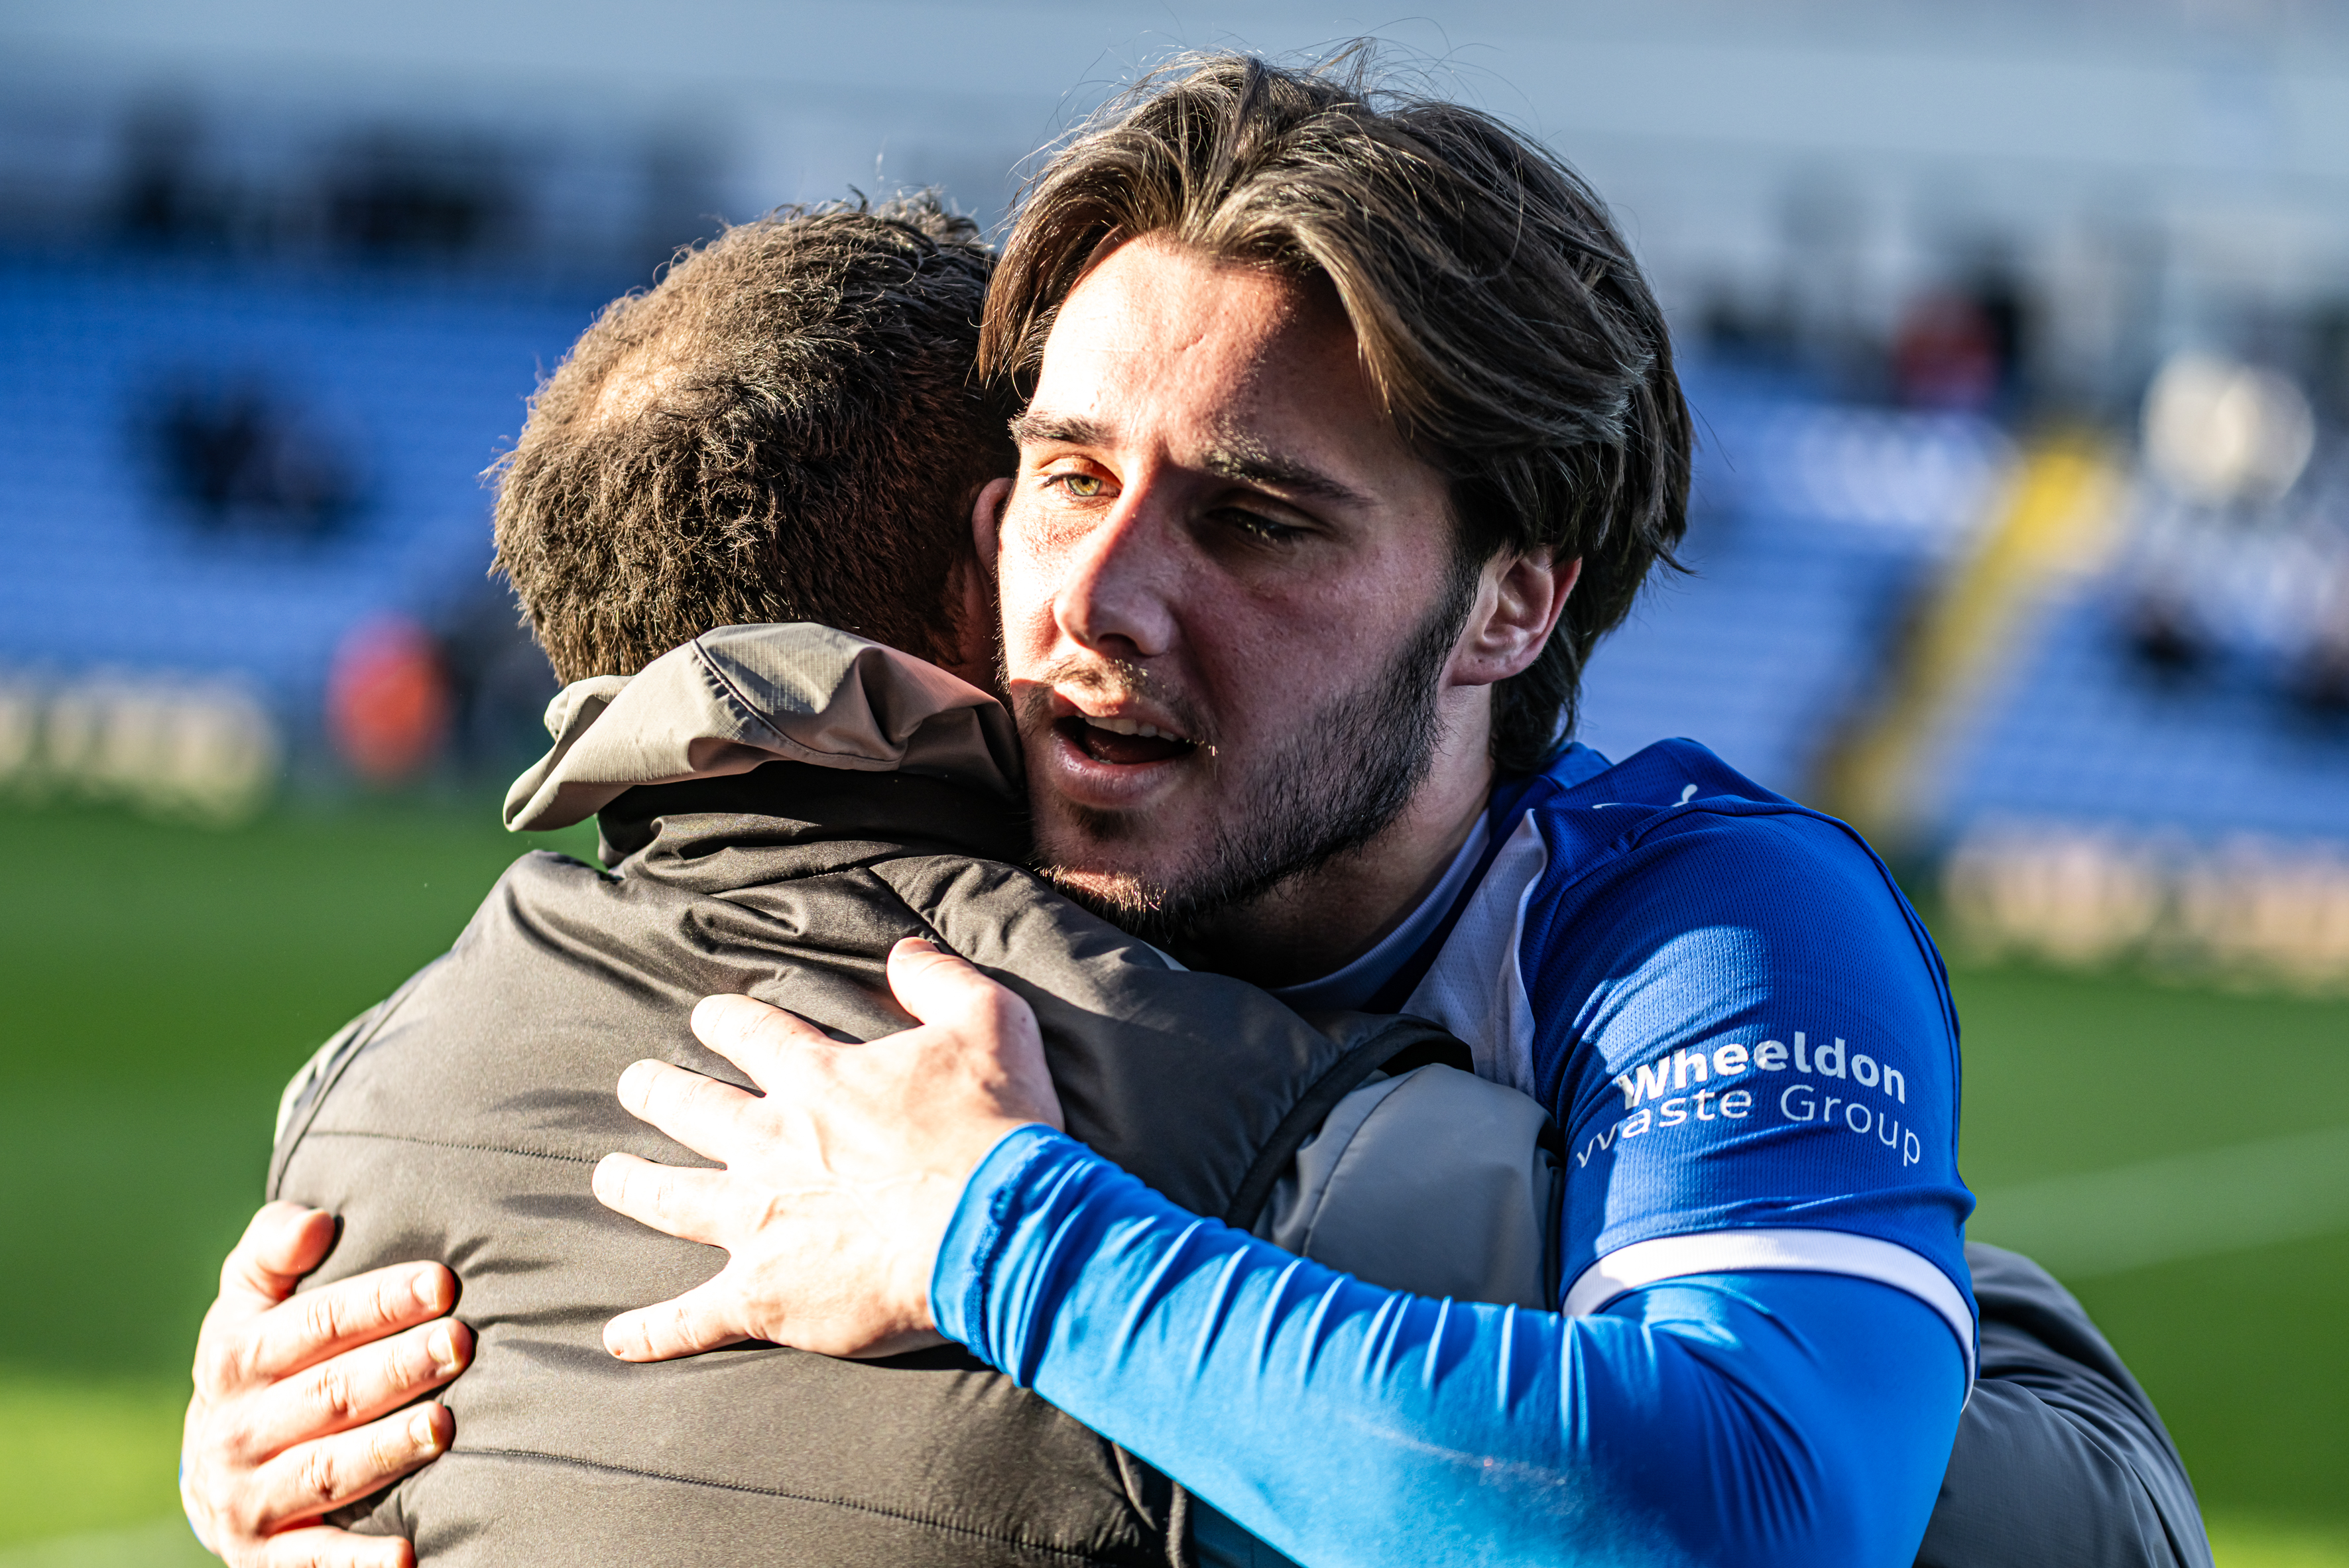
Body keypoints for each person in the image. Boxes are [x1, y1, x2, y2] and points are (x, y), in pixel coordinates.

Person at [182, 54, 2208, 1568]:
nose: (1096, 597)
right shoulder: (965, 847)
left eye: (1255, 515)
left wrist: (992, 1230)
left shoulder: (1699, 919)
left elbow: (1747, 1511)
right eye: (1070, 477)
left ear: (1512, 598)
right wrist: (326, 1416)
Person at [184, 195, 1541, 1568]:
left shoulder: (356, 1097)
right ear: (983, 569)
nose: (1106, 591)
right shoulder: (1355, 1147)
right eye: (1070, 488)